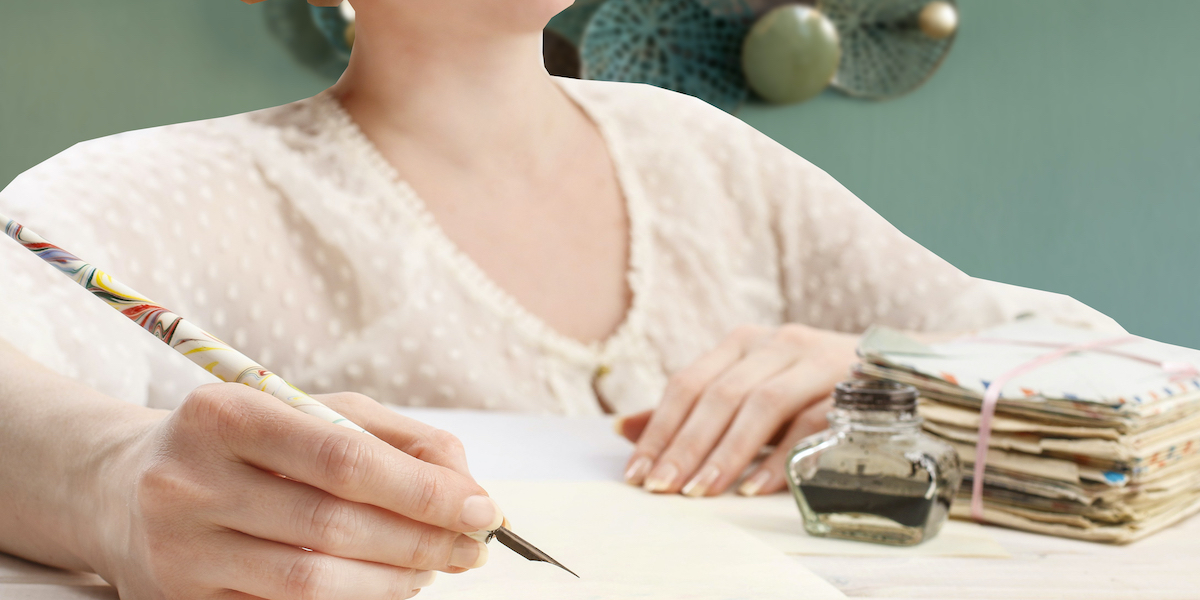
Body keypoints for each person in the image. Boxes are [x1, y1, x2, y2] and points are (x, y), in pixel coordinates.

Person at [0, 0, 1121, 596]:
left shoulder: (706, 160)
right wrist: (111, 482)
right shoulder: (149, 195)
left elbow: (1109, 370)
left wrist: (890, 369)